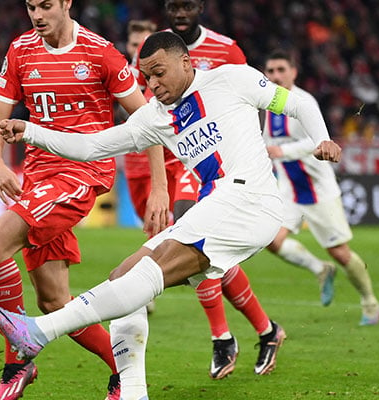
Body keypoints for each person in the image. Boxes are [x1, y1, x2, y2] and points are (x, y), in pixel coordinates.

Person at [0, 31, 341, 400]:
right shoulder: (155, 116)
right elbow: (92, 146)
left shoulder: (233, 77)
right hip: (218, 204)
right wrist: (32, 131)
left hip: (251, 198)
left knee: (150, 273)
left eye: (159, 73)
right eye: (146, 76)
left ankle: (39, 332)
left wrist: (322, 138)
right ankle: (132, 392)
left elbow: (297, 105)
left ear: (186, 62)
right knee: (124, 276)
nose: (152, 84)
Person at [0, 0, 170, 398]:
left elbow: (148, 119)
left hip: (81, 175)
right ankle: (124, 374)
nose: (36, 14)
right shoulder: (20, 50)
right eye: (31, 6)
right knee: (54, 302)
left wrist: (160, 186)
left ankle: (16, 365)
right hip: (37, 179)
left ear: (66, 3)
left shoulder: (100, 52)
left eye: (45, 5)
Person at [127, 0, 278, 381]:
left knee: (194, 240)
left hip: (207, 164)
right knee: (201, 252)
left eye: (187, 5)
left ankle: (221, 336)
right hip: (160, 160)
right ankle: (265, 329)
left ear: (200, 8)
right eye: (173, 6)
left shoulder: (226, 50)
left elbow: (251, 102)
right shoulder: (152, 57)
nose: (180, 12)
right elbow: (146, 117)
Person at [262, 49, 379, 325]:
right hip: (290, 191)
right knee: (271, 239)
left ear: (294, 72)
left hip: (319, 190)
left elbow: (317, 141)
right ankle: (320, 269)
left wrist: (282, 150)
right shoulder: (264, 106)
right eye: (270, 71)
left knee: (340, 251)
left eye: (281, 70)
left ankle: (370, 301)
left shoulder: (304, 102)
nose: (276, 76)